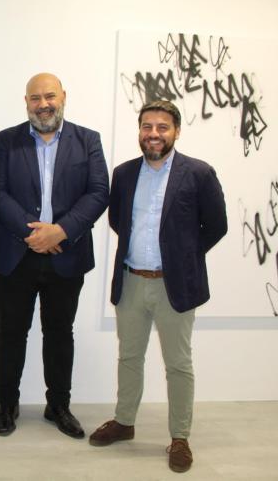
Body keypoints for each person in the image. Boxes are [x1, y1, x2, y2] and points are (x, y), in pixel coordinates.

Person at [89, 100, 227, 473]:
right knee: (129, 357)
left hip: (174, 286)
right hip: (132, 281)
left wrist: (183, 256)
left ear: (176, 131)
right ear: (140, 131)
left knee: (178, 363)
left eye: (162, 127)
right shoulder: (124, 174)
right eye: (147, 126)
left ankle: (180, 437)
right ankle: (124, 422)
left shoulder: (198, 173)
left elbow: (216, 226)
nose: (153, 134)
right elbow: (118, 221)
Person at [0, 72, 109, 438]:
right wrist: (34, 234)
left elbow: (98, 192)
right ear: (26, 102)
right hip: (16, 254)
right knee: (11, 333)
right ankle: (7, 405)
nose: (43, 104)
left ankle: (58, 405)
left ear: (63, 97)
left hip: (66, 253)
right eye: (36, 98)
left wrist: (61, 231)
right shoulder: (6, 140)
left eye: (50, 96)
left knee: (60, 334)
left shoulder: (88, 140)